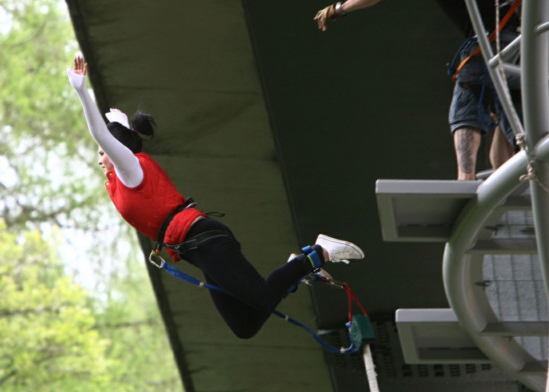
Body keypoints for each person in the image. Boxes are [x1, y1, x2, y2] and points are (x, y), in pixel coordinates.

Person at [67, 55, 364, 339]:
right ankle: (294, 269)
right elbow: (109, 137)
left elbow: (102, 134)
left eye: (102, 152)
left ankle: (318, 253)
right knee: (244, 326)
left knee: (261, 296)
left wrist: (83, 93)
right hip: (197, 251)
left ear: (118, 148)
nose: (99, 159)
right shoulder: (122, 179)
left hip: (205, 239)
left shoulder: (131, 168)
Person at [314, 0, 521, 180]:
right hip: (514, 43)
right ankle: (520, 177)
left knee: (465, 108)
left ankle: (465, 181)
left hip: (488, 42)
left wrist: (339, 9)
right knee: (506, 124)